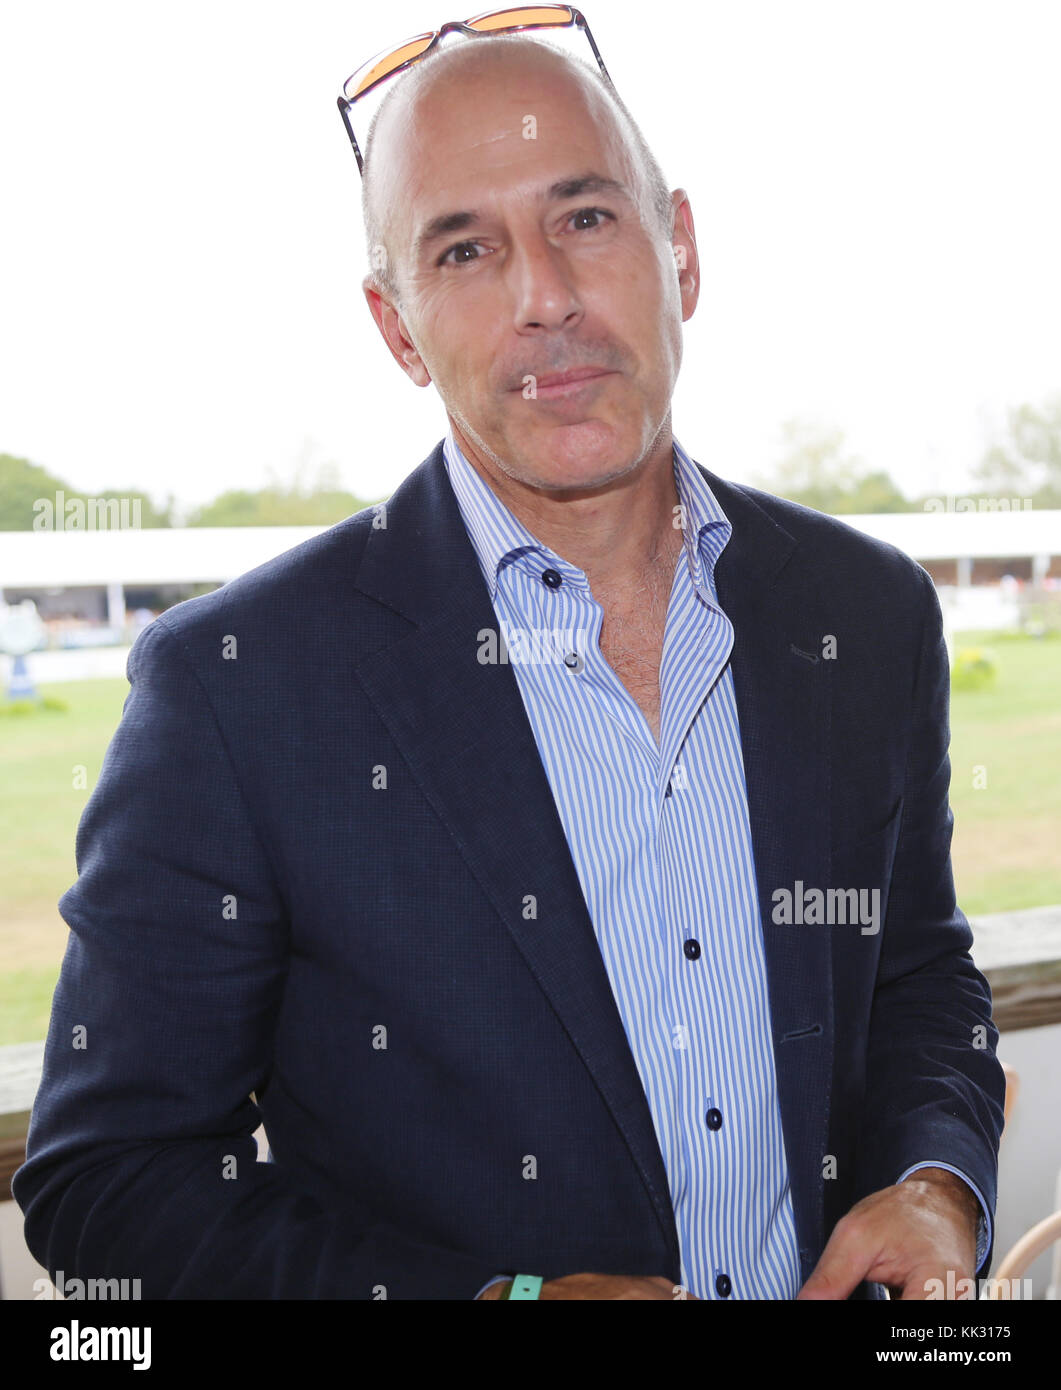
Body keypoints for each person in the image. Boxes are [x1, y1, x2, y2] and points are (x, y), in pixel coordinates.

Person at [15, 17, 1005, 1301]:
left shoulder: (865, 612)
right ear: (398, 328)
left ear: (680, 249)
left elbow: (919, 973)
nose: (543, 295)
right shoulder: (235, 685)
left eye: (584, 218)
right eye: (464, 250)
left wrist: (937, 1183)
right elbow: (110, 1177)